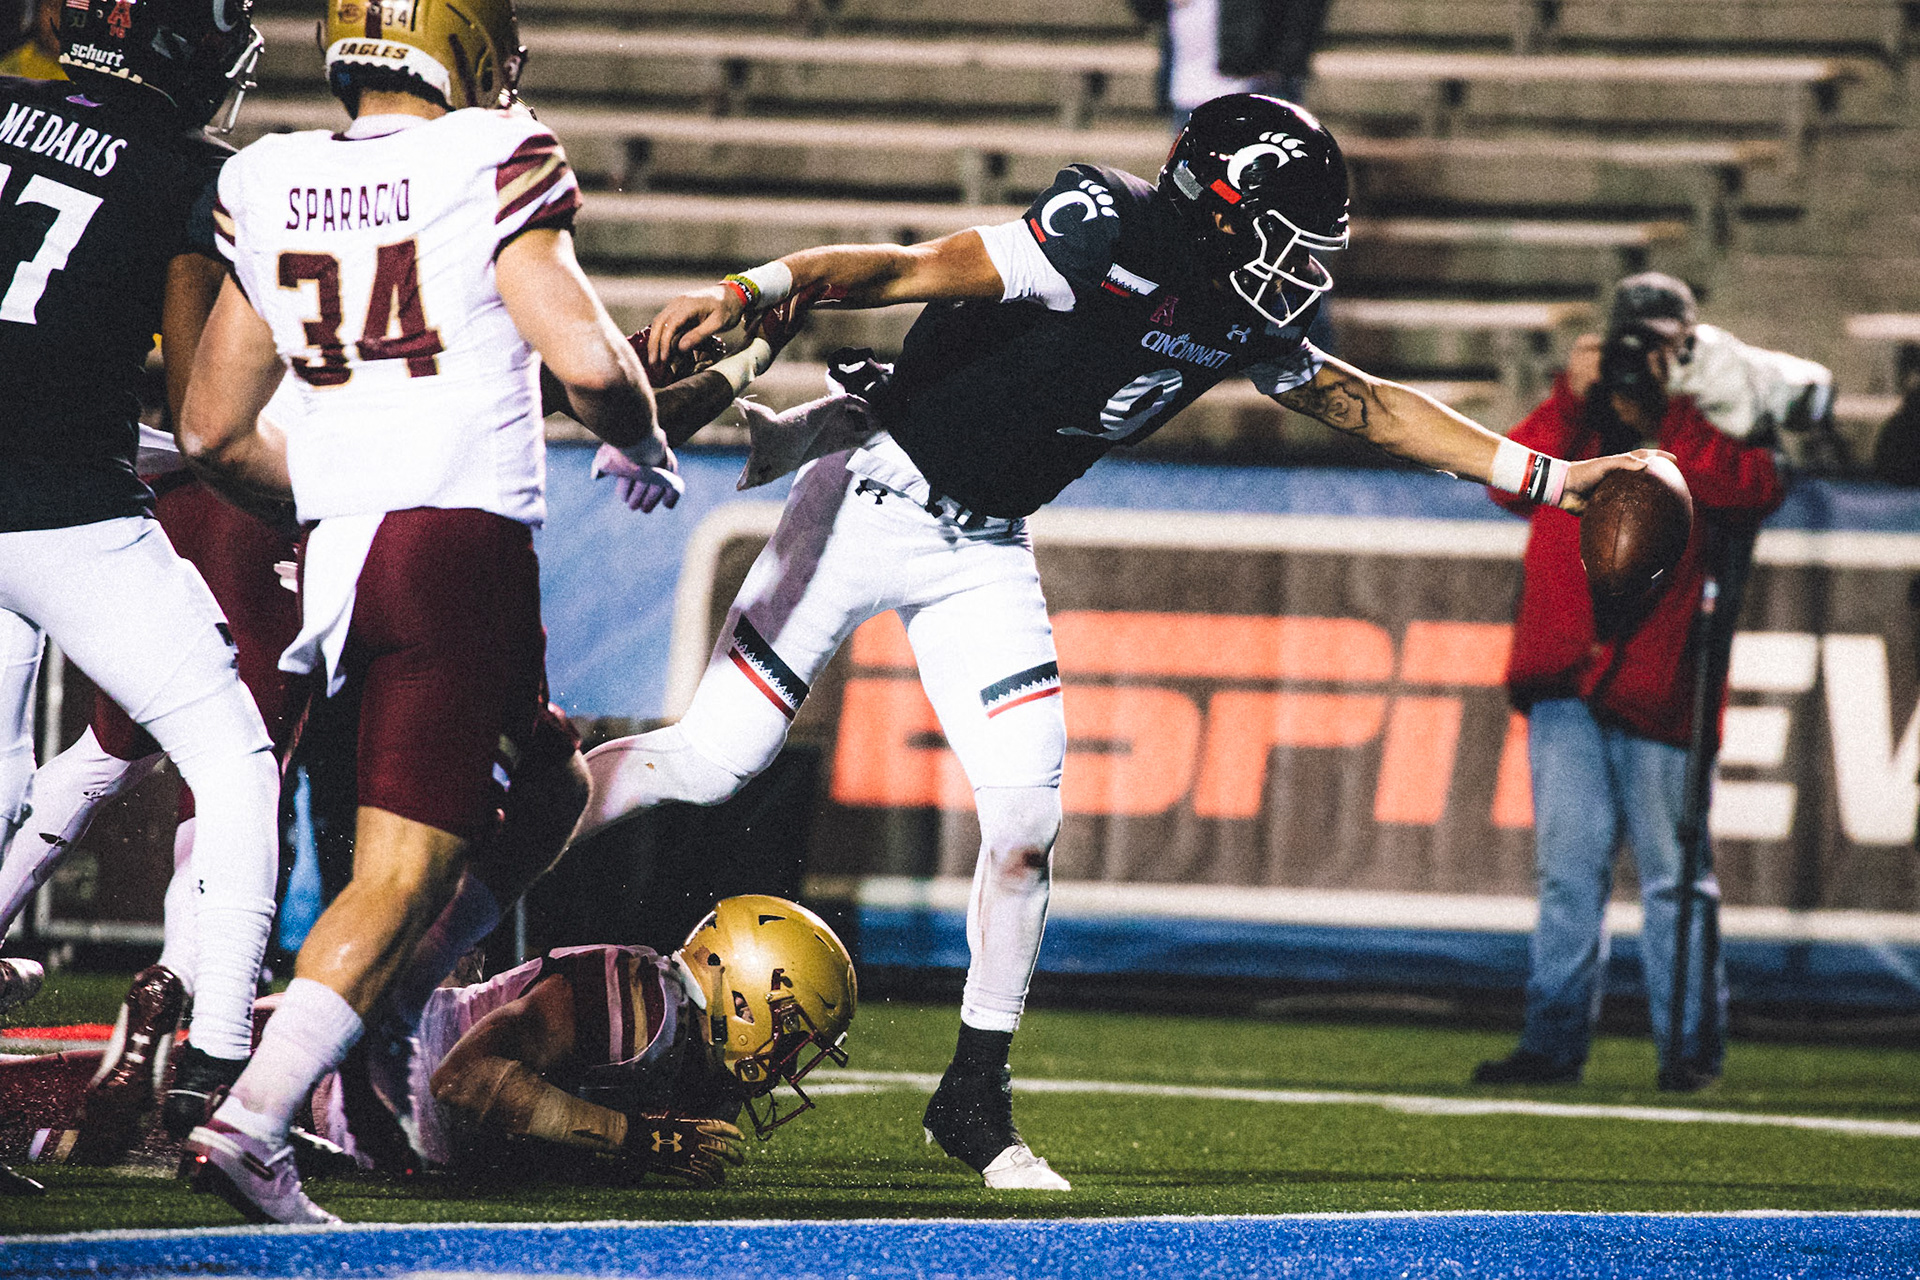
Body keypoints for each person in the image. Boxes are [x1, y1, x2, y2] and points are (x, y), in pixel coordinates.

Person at [577, 92, 1659, 1191]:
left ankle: (974, 1093)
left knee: (1024, 824)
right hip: (869, 498)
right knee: (711, 759)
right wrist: (754, 289)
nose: (1298, 271)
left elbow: (1364, 404)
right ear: (1220, 207)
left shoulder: (1238, 305)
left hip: (984, 543)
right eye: (1286, 238)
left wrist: (1557, 480)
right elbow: (907, 268)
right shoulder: (1104, 226)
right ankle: (516, 825)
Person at [169, 0, 689, 1225]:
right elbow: (593, 362)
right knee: (400, 873)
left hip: (348, 552)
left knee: (550, 779)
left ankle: (392, 1005)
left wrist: (346, 484)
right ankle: (257, 1118)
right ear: (466, 46)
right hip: (457, 543)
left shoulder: (270, 175)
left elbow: (212, 430)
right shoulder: (488, 152)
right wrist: (643, 439)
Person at [0, 0, 282, 1178]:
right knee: (235, 759)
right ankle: (220, 1075)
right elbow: (197, 399)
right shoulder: (184, 170)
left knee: (4, 779)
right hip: (64, 511)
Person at [5, 895, 856, 1191]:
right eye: (793, 1033)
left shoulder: (679, 1048)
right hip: (337, 1071)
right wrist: (636, 1138)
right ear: (747, 989)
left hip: (357, 1123)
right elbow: (466, 1078)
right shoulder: (644, 1007)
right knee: (66, 1107)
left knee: (83, 1130)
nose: (792, 1060)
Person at [1472, 319, 1786, 1093]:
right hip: (1569, 683)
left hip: (1663, 685)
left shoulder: (1703, 428)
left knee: (1675, 880)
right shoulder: (1574, 435)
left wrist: (1668, 415)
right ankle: (1551, 1045)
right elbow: (1504, 482)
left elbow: (1753, 488)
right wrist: (1569, 398)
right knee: (1567, 876)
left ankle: (1688, 1051)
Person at [1569, 272, 1846, 475]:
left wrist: (1663, 414)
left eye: (1660, 338)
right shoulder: (1610, 363)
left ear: (1686, 335)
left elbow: (1733, 468)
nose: (1643, 347)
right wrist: (1570, 401)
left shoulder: (1717, 363)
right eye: (1634, 335)